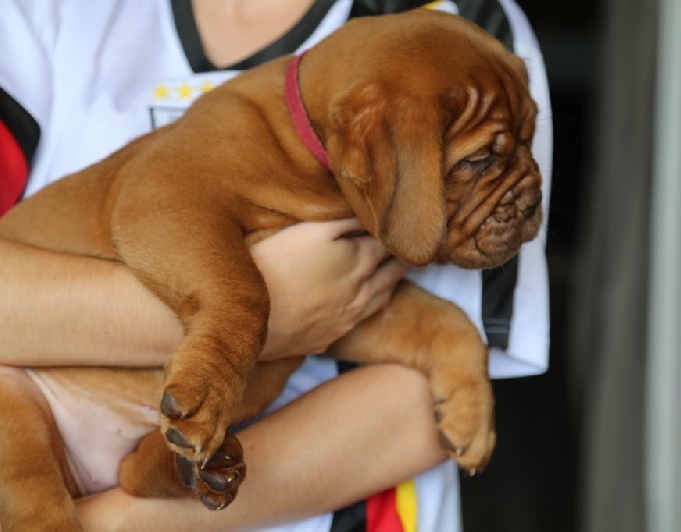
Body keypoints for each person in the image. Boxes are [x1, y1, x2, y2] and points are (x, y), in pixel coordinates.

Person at [0, 0, 553, 530]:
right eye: (479, 160)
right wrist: (244, 318)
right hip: (27, 394)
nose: (529, 195)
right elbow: (155, 214)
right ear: (376, 152)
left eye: (522, 147)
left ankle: (163, 467)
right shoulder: (47, 17)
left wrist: (446, 341)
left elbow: (363, 326)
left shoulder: (462, 23)